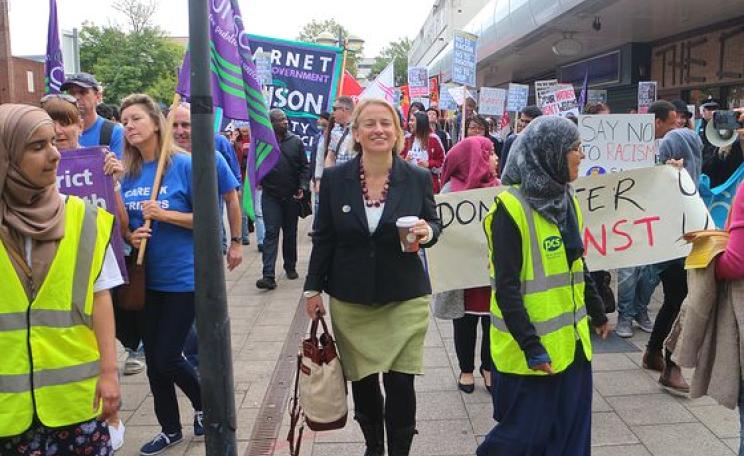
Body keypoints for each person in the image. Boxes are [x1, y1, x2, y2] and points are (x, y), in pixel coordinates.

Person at [304, 98, 441, 456]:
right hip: (351, 297)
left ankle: (399, 450)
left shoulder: (418, 177)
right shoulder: (335, 179)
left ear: (398, 132)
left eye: (386, 123)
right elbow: (324, 237)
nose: (378, 130)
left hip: (404, 296)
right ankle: (373, 448)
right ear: (356, 133)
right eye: (370, 124)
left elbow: (435, 222)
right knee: (363, 382)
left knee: (400, 382)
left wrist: (430, 232)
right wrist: (311, 289)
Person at [478, 115, 610, 455]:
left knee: (573, 435)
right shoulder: (511, 208)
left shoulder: (567, 199)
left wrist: (596, 311)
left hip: (574, 346)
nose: (581, 155)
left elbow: (577, 262)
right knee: (522, 439)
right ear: (550, 152)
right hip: (532, 355)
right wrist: (532, 346)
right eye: (575, 149)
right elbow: (505, 288)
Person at [0, 104, 121, 454]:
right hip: (8, 413)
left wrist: (110, 373)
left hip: (75, 405)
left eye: (53, 142)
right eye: (37, 147)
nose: (54, 155)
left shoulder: (85, 218)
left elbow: (101, 299)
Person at [40, 94, 131, 450]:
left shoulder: (98, 163)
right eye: (51, 124)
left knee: (96, 344)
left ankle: (108, 414)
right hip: (49, 287)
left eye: (66, 121)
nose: (59, 131)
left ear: (81, 125)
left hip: (93, 275)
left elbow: (121, 225)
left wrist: (113, 182)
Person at [118, 94, 204, 455]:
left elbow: (205, 220)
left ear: (156, 122)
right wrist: (130, 234)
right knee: (154, 362)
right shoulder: (129, 173)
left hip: (182, 279)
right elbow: (124, 228)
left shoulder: (183, 165)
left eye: (135, 118)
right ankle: (170, 428)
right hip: (145, 281)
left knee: (169, 356)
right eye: (124, 122)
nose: (129, 126)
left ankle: (206, 403)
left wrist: (166, 215)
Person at [438, 136, 499, 394]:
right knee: (463, 323)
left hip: (491, 274)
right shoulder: (449, 193)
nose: (496, 158)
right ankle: (465, 369)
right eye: (491, 153)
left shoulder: (500, 188)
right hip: (462, 278)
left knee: (492, 323)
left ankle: (489, 367)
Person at [615, 100, 679, 341]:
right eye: (671, 123)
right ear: (658, 121)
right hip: (626, 214)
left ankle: (640, 310)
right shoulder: (627, 140)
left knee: (651, 271)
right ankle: (625, 315)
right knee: (628, 271)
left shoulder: (667, 144)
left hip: (652, 214)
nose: (674, 127)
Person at [171, 103, 242, 271]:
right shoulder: (159, 161)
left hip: (207, 248)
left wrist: (236, 242)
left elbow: (232, 199)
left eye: (185, 125)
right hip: (170, 256)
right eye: (174, 125)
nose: (180, 131)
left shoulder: (212, 157)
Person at [255, 109, 310, 290]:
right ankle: (268, 275)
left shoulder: (295, 142)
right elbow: (255, 163)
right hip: (270, 196)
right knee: (271, 233)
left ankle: (290, 266)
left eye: (285, 119)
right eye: (279, 120)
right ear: (271, 123)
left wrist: (302, 186)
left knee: (290, 233)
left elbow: (304, 167)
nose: (284, 122)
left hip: (291, 196)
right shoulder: (263, 143)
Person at [62, 73, 125, 158]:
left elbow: (122, 168)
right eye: (71, 93)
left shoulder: (114, 132)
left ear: (98, 96)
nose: (76, 97)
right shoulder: (59, 133)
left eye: (83, 92)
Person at [400, 111, 445, 193]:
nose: (409, 123)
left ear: (421, 122)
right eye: (409, 120)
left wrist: (429, 164)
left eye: (412, 120)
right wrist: (405, 161)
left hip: (428, 187)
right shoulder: (406, 139)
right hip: (409, 187)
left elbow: (443, 163)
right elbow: (397, 162)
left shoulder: (434, 139)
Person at [499, 105, 542, 175]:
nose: (523, 125)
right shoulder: (511, 140)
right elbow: (504, 169)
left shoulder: (545, 142)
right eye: (522, 120)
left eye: (528, 122)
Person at [325, 96, 355, 166]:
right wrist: (328, 173)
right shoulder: (335, 129)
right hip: (337, 173)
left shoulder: (359, 129)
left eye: (334, 109)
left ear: (344, 109)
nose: (332, 113)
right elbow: (330, 156)